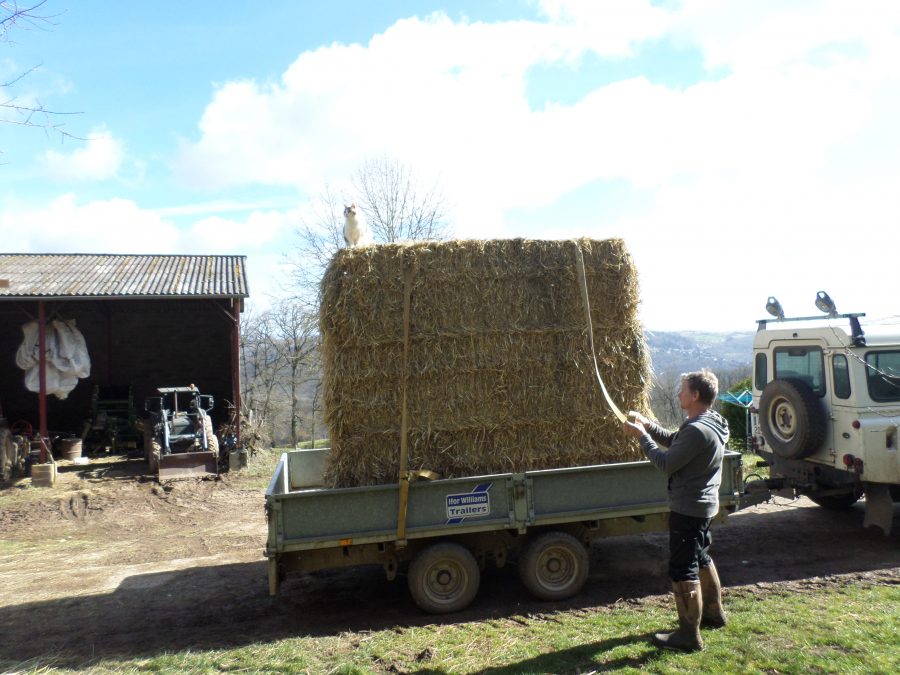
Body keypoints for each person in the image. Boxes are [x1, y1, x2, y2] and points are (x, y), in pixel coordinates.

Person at [622, 369, 729, 652]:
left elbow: (666, 462)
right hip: (704, 505)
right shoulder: (712, 421)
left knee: (683, 568)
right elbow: (677, 441)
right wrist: (650, 426)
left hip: (689, 508)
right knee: (701, 556)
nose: (678, 394)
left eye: (682, 390)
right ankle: (714, 614)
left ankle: (688, 635)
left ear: (695, 395)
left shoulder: (697, 429)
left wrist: (642, 436)